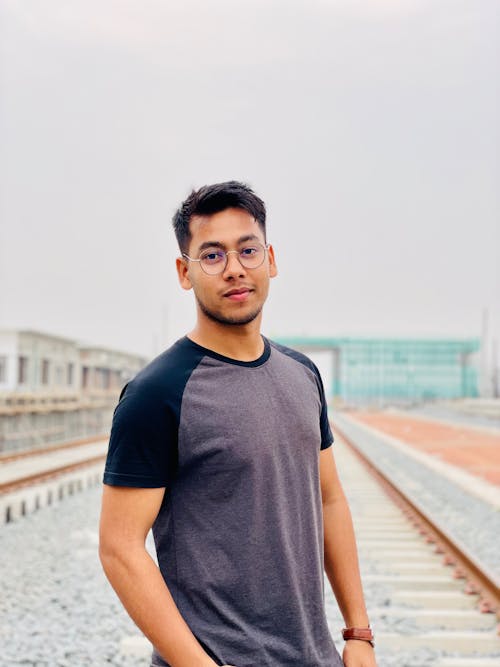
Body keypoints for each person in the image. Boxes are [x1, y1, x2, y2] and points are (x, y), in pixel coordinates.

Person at [99, 181, 377, 667]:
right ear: (185, 272)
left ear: (270, 259)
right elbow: (119, 547)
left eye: (247, 250)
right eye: (212, 255)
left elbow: (329, 498)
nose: (234, 269)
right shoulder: (157, 393)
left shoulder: (302, 375)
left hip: (316, 656)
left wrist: (359, 633)